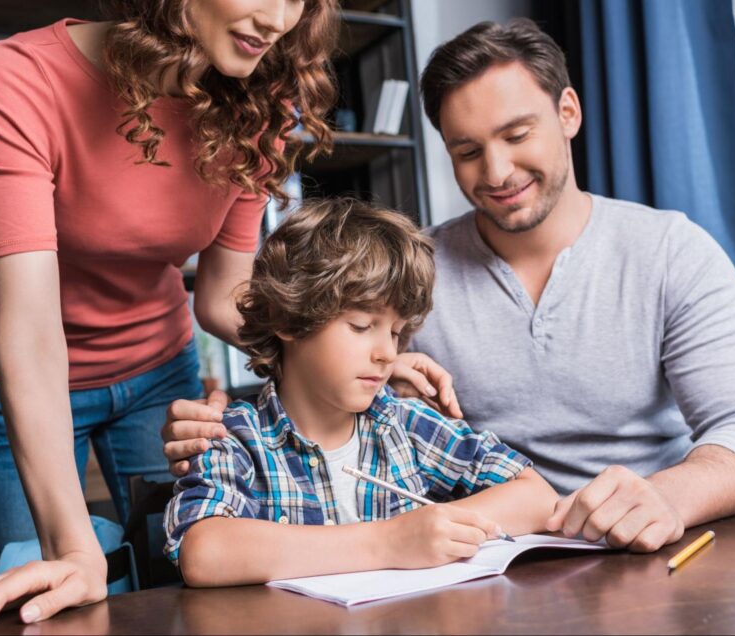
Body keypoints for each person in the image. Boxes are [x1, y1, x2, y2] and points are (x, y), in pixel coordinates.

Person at [163, 18, 735, 555]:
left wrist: (667, 496)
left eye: (517, 136)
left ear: (568, 112)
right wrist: (221, 425)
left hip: (651, 552)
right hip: (491, 566)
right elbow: (321, 374)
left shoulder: (670, 250)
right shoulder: (409, 275)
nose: (496, 172)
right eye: (467, 151)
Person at [0, 0, 343, 633]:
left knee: (183, 587)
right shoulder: (22, 77)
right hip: (26, 380)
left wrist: (340, 353)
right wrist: (74, 550)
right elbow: (29, 326)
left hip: (160, 377)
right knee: (50, 600)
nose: (276, 19)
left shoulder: (261, 104)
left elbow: (223, 296)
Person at [166, 198, 560, 585]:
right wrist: (387, 542)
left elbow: (537, 497)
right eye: (361, 326)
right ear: (286, 319)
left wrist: (438, 528)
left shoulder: (405, 424)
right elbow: (203, 553)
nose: (387, 353)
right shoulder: (234, 437)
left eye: (395, 332)